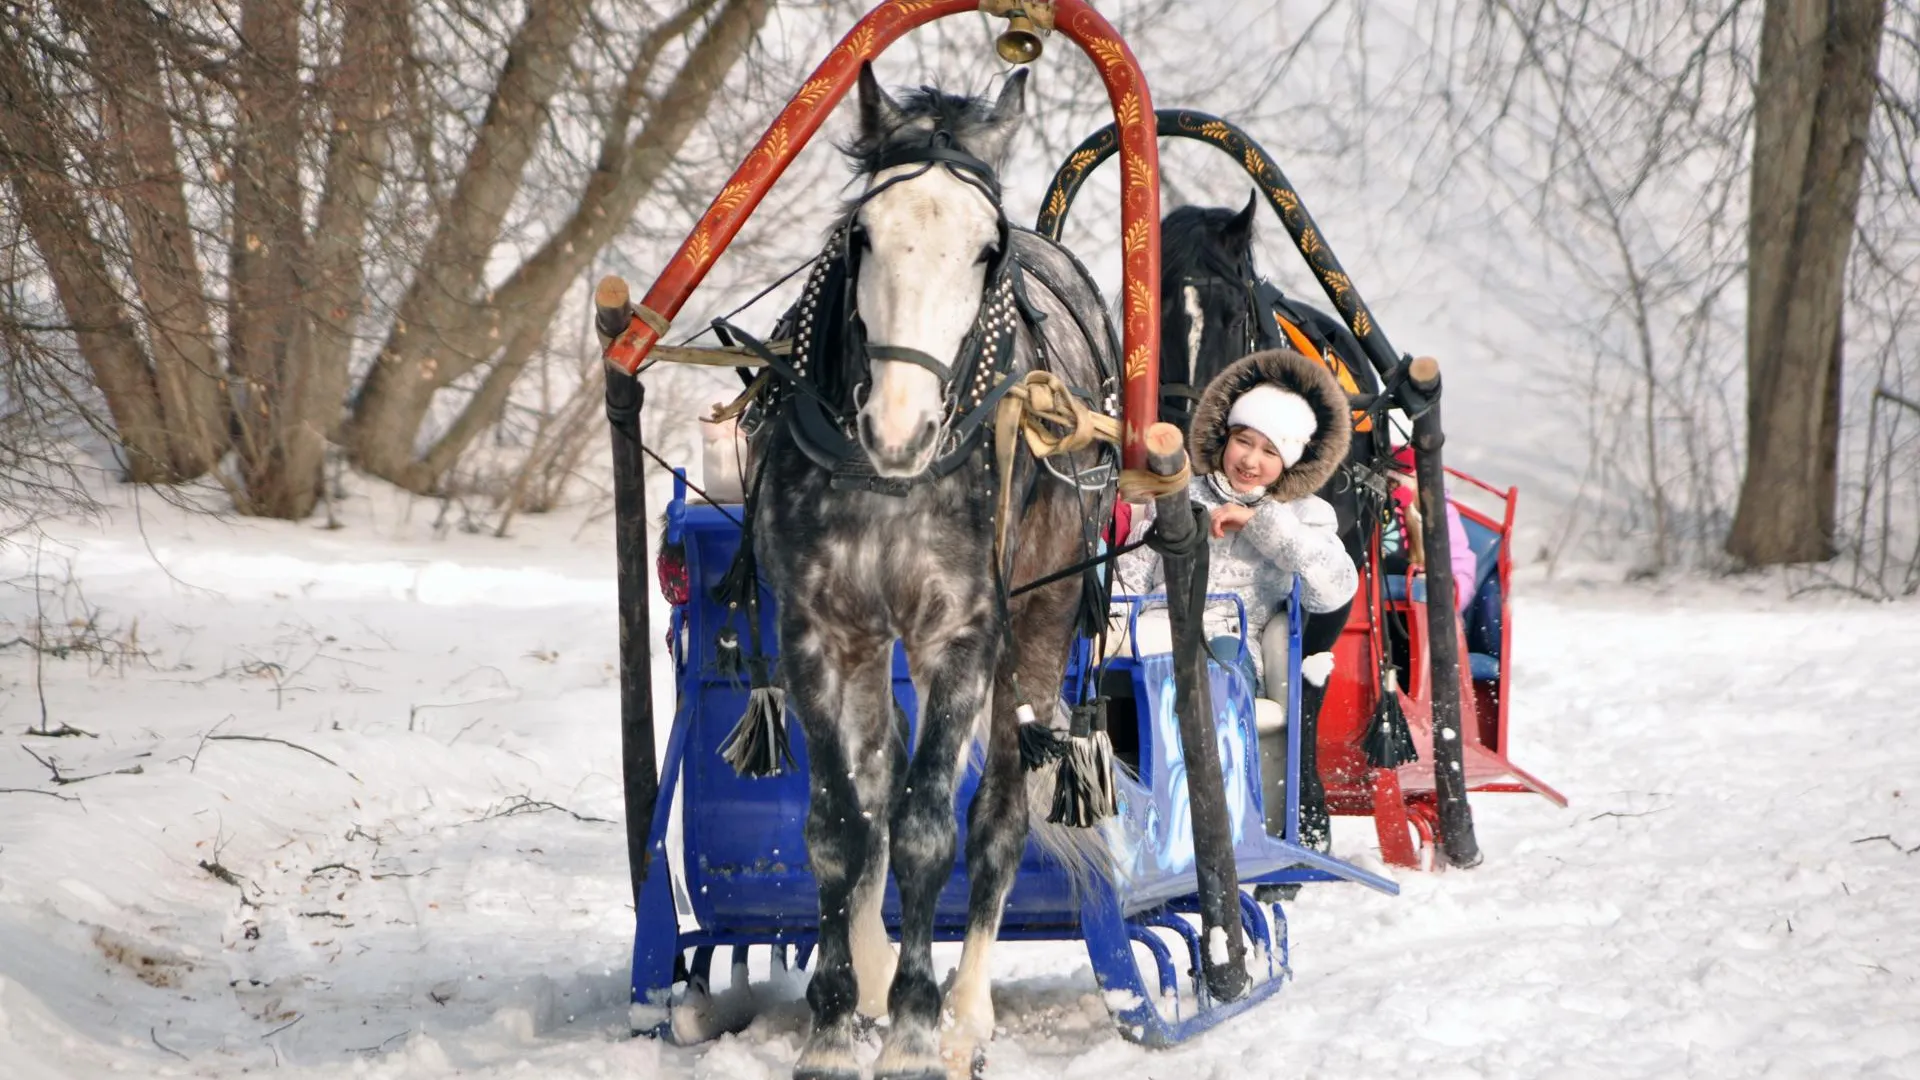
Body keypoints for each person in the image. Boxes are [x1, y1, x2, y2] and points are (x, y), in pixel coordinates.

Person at [1113, 349, 1358, 849]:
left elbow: (1335, 584)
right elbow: (1130, 574)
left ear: (1289, 461)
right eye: (1244, 441)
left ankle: (1211, 832)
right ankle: (1123, 822)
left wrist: (1261, 523)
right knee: (1111, 674)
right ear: (1225, 438)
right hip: (1151, 632)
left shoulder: (1305, 515)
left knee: (1208, 677)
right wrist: (1114, 626)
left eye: (1270, 451)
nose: (1250, 460)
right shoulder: (1176, 491)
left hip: (1229, 645)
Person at [1379, 444, 1478, 612]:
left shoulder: (1437, 513)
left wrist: (1448, 594)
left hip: (1421, 611)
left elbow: (1460, 567)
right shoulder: (1364, 507)